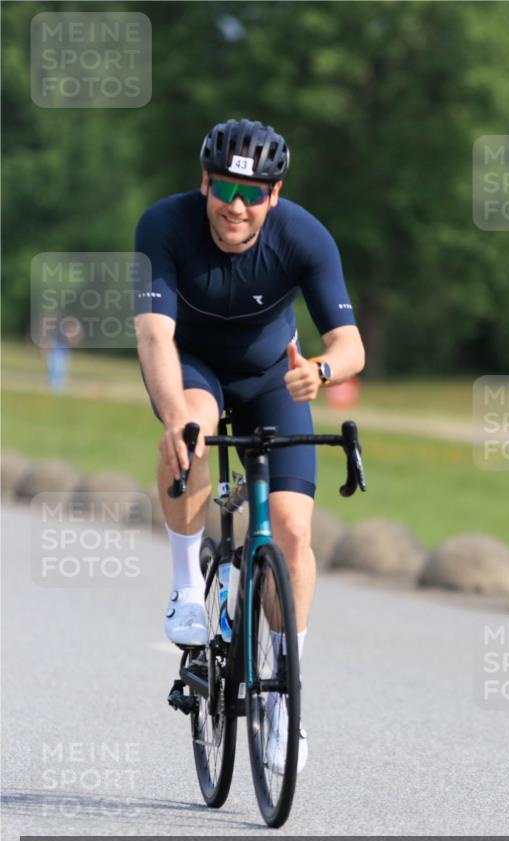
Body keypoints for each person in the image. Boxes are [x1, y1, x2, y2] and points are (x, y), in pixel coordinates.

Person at [133, 118, 365, 772]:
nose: (236, 206)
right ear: (204, 181)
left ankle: (285, 696)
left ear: (274, 193)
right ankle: (184, 589)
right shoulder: (164, 225)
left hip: (273, 378)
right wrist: (176, 413)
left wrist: (319, 370)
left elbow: (350, 347)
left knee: (292, 529)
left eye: (253, 193)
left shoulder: (303, 235)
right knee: (192, 433)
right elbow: (153, 336)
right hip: (193, 367)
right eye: (225, 188)